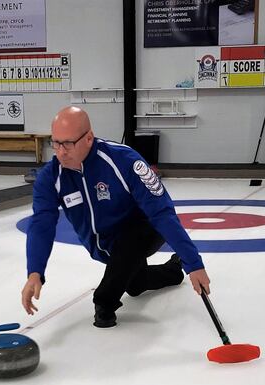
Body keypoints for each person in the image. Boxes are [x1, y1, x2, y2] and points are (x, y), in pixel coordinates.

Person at [21, 106, 211, 328]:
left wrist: (194, 263)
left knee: (129, 246)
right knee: (135, 284)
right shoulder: (51, 177)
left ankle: (104, 303)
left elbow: (161, 212)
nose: (61, 151)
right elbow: (41, 224)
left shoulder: (123, 160)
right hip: (107, 245)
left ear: (89, 138)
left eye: (68, 143)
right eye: (56, 143)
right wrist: (35, 272)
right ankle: (172, 271)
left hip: (145, 228)